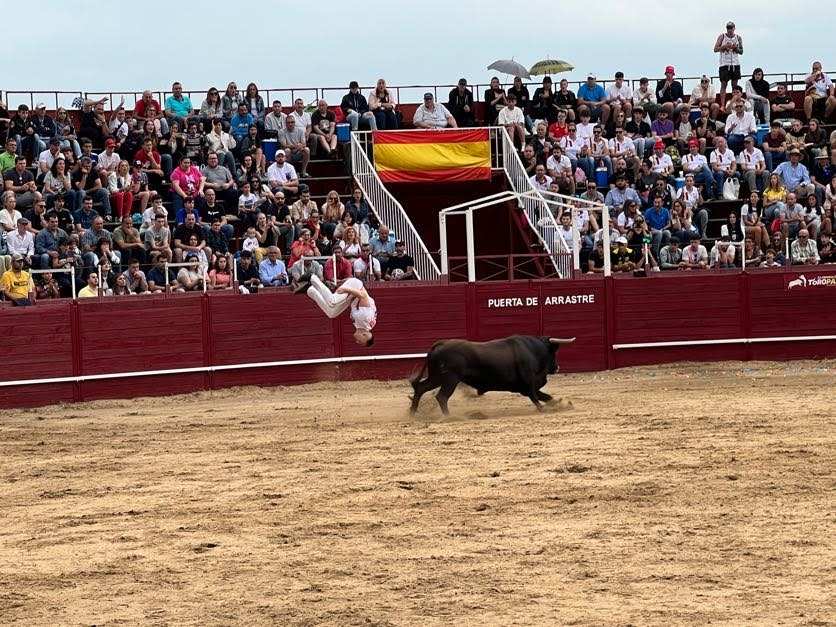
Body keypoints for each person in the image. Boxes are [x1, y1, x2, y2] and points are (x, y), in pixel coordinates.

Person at [300, 274, 375, 346]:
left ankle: (310, 290)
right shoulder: (366, 318)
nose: (357, 341)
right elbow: (363, 295)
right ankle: (312, 277)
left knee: (332, 313)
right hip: (355, 287)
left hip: (352, 297)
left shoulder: (362, 326)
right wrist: (346, 289)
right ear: (364, 335)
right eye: (360, 341)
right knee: (333, 301)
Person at [714, 21, 743, 111]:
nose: (729, 30)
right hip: (724, 64)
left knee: (735, 86)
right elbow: (715, 49)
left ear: (734, 28)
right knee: (724, 84)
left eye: (731, 28)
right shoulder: (722, 37)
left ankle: (735, 103)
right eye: (728, 28)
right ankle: (723, 105)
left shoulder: (738, 37)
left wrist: (735, 48)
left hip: (735, 64)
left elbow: (741, 51)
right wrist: (724, 47)